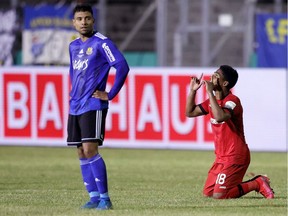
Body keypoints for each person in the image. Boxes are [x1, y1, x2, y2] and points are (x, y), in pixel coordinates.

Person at [67, 4, 129, 210]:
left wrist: (109, 94)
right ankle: (93, 197)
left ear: (93, 20)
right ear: (73, 22)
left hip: (93, 104)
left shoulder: (103, 43)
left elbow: (122, 66)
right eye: (79, 19)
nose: (83, 22)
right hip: (75, 105)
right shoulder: (73, 46)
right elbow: (73, 73)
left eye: (87, 18)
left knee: (90, 149)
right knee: (80, 152)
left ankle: (105, 198)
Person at [185, 65, 274, 199]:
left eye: (216, 76)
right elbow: (189, 112)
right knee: (208, 193)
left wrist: (210, 92)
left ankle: (257, 183)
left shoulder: (233, 101)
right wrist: (193, 91)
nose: (211, 77)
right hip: (221, 157)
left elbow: (221, 116)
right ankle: (241, 184)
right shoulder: (212, 102)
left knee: (220, 195)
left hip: (236, 155)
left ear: (225, 83)